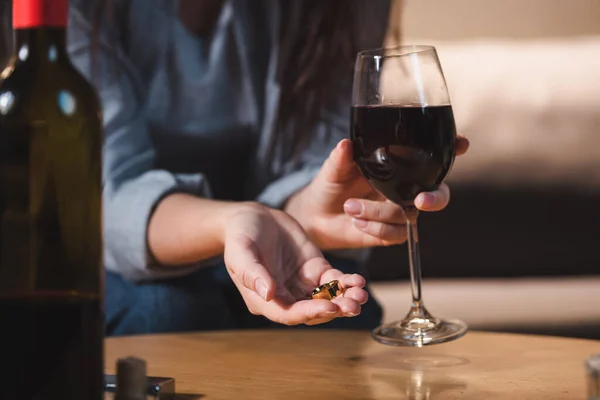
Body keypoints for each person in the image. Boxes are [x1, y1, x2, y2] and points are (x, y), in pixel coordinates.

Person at [66, 0, 469, 335]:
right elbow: (109, 197)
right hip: (128, 254)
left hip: (285, 239)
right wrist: (236, 222)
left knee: (336, 315)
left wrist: (306, 209)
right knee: (165, 312)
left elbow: (318, 156)